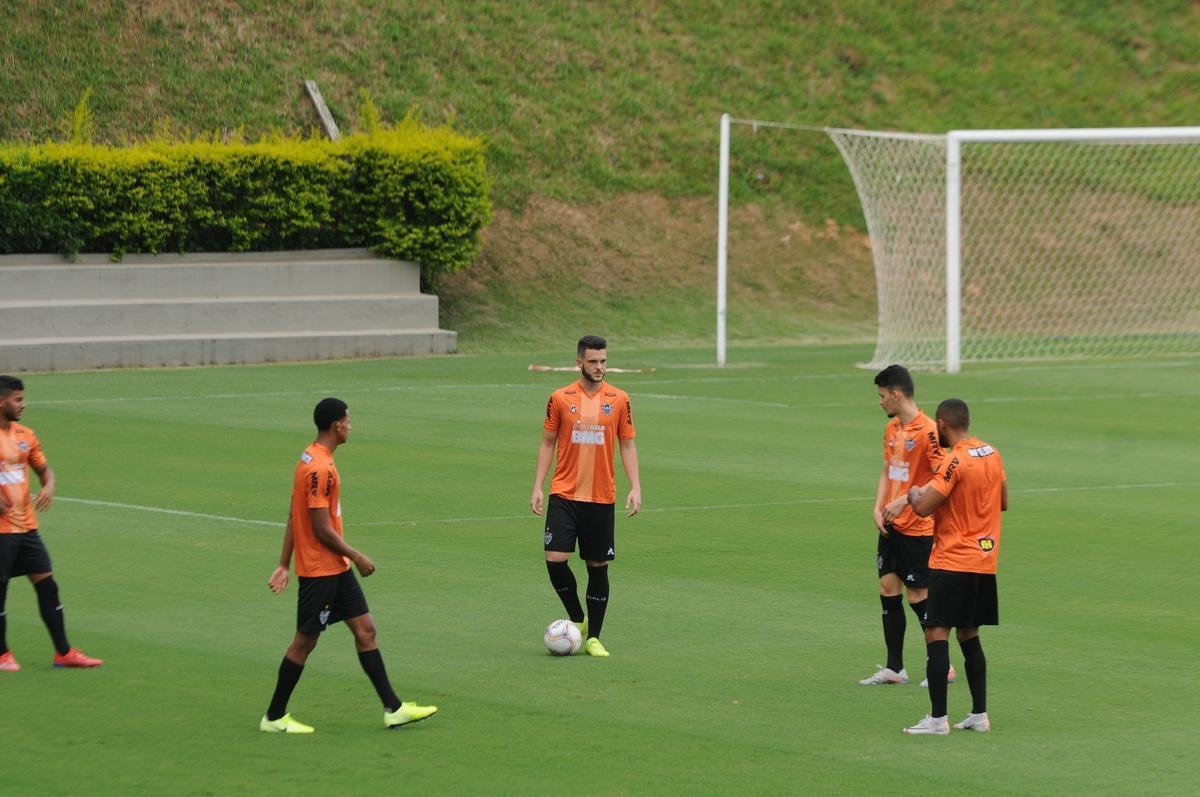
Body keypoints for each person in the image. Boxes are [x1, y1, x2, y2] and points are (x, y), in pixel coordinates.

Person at [260, 397, 437, 733]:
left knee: (366, 630)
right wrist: (358, 556)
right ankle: (274, 717)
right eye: (348, 421)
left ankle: (393, 708)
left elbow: (293, 514)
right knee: (304, 641)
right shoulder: (318, 468)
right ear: (336, 425)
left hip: (335, 568)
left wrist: (283, 563)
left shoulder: (311, 456)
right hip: (320, 570)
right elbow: (318, 528)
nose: (350, 426)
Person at [886, 398, 1007, 735]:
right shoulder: (992, 453)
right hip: (985, 559)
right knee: (970, 633)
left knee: (936, 632)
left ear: (941, 423)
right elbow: (1004, 501)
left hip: (953, 558)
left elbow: (924, 508)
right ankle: (979, 715)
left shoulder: (953, 460)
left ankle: (938, 720)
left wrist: (911, 494)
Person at [531, 335, 641, 658]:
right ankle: (577, 617)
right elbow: (548, 442)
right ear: (579, 362)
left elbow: (628, 444)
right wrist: (537, 485)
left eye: (604, 361)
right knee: (555, 559)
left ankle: (594, 636)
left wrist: (635, 486)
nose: (600, 367)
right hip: (564, 493)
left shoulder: (619, 399)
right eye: (593, 362)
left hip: (601, 497)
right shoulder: (560, 398)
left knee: (598, 566)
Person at [859, 365, 953, 688]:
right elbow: (888, 470)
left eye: (882, 396)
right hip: (890, 526)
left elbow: (944, 478)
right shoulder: (891, 430)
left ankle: (944, 665)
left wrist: (906, 502)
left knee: (918, 595)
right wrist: (877, 506)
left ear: (896, 394)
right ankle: (895, 668)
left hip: (918, 527)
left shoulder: (929, 432)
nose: (880, 402)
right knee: (888, 588)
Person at [0, 375, 102, 671]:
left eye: (23, 399)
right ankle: (3, 654)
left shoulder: (25, 435)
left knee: (48, 586)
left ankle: (64, 652)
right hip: (1, 531)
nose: (23, 404)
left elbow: (46, 471)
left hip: (27, 528)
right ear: (1, 401)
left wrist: (48, 486)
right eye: (17, 399)